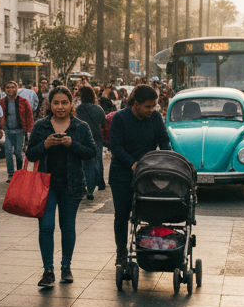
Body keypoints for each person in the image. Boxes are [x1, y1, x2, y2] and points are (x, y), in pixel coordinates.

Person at [25, 85, 96, 288]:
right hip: (45, 185)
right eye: (55, 102)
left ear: (71, 103)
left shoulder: (80, 127)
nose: (60, 107)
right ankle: (48, 270)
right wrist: (45, 145)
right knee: (46, 227)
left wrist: (71, 144)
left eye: (64, 102)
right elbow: (30, 154)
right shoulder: (41, 126)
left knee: (67, 227)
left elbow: (91, 152)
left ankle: (66, 267)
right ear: (50, 104)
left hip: (72, 185)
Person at [108, 83, 171, 265]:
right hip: (122, 173)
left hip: (147, 173)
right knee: (122, 214)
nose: (152, 109)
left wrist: (167, 159)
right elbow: (116, 147)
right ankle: (121, 252)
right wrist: (133, 164)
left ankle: (148, 247)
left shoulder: (156, 117)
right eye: (148, 106)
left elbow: (163, 140)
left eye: (154, 106)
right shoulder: (120, 118)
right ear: (136, 104)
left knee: (150, 211)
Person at [74, 85, 107, 199]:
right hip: (97, 137)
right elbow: (103, 122)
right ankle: (98, 184)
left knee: (85, 163)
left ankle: (87, 187)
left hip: (82, 137)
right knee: (97, 161)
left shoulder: (78, 109)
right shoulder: (98, 109)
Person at [0, 80, 34, 181]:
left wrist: (29, 131)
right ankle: (10, 174)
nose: (10, 89)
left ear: (16, 89)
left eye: (12, 87)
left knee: (18, 153)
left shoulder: (23, 101)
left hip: (19, 131)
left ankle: (20, 173)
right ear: (5, 90)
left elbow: (29, 116)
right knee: (8, 152)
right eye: (8, 87)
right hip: (7, 131)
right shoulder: (1, 102)